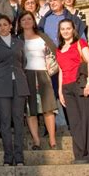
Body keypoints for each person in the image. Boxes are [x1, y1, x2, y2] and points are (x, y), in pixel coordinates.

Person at [0, 15, 29, 166]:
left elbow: (23, 62)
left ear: (11, 26)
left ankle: (19, 157)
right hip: (1, 87)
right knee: (5, 122)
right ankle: (8, 157)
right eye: (0, 25)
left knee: (18, 120)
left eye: (6, 25)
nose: (3, 27)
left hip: (19, 84)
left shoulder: (19, 43)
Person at [56, 19, 89, 164]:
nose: (66, 31)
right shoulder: (59, 48)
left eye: (68, 28)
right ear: (59, 31)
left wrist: (88, 83)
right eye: (63, 29)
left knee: (86, 120)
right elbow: (61, 70)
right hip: (67, 88)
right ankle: (80, 156)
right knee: (74, 123)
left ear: (73, 29)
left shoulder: (80, 43)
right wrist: (60, 91)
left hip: (80, 84)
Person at [18, 11, 57, 150]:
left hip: (44, 74)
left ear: (34, 21)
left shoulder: (42, 36)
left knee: (48, 108)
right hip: (26, 75)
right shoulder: (18, 39)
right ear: (20, 23)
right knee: (30, 110)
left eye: (29, 18)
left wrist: (50, 64)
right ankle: (36, 141)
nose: (27, 21)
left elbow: (54, 52)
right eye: (23, 19)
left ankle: (52, 140)